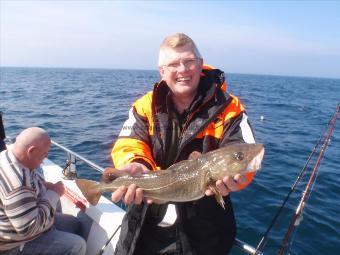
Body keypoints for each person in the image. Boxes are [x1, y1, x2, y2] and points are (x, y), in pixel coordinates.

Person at [107, 33, 257, 255]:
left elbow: (242, 151)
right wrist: (135, 164)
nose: (183, 70)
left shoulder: (230, 108)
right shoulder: (144, 105)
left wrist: (240, 177)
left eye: (189, 62)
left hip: (204, 235)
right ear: (162, 71)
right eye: (174, 64)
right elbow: (130, 143)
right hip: (143, 224)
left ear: (200, 63)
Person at [0, 127, 86, 255]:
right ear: (31, 151)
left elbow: (30, 179)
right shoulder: (18, 184)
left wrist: (45, 185)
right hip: (15, 244)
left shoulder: (9, 155)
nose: (44, 159)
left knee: (75, 224)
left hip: (28, 218)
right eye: (44, 155)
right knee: (77, 245)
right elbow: (29, 229)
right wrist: (54, 194)